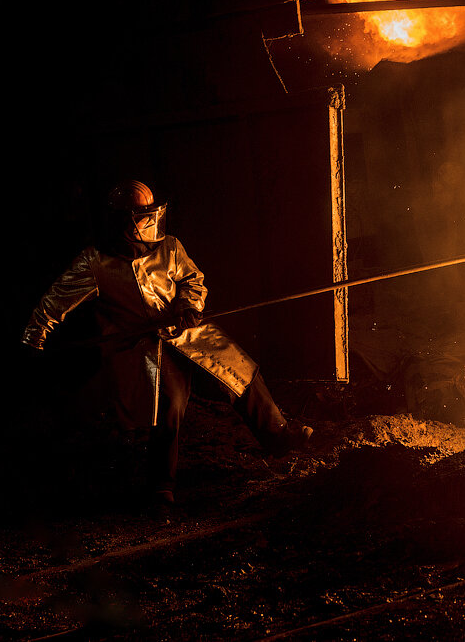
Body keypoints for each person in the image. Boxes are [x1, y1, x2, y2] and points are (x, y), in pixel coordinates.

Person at [22, 180, 311, 508]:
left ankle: (279, 436)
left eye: (151, 214)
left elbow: (193, 280)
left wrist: (190, 306)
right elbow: (55, 301)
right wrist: (34, 338)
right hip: (143, 349)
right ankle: (161, 486)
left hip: (188, 336)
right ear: (126, 221)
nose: (151, 221)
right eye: (143, 216)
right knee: (168, 405)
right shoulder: (95, 262)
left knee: (240, 372)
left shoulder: (169, 247)